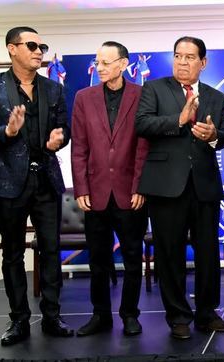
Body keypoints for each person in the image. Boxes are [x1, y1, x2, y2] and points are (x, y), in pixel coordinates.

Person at [135, 36, 224, 339]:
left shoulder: (216, 97)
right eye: (178, 56)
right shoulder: (154, 89)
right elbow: (142, 124)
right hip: (165, 186)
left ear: (203, 63)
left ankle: (207, 313)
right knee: (169, 253)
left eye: (190, 57)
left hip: (204, 185)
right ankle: (178, 316)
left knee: (207, 253)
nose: (183, 62)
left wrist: (213, 135)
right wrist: (179, 119)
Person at [0, 26, 73, 346]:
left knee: (51, 250)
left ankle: (52, 316)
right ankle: (19, 320)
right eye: (32, 45)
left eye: (42, 46)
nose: (39, 51)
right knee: (12, 254)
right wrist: (5, 132)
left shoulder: (53, 89)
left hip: (46, 180)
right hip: (8, 183)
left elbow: (65, 128)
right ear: (12, 48)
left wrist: (58, 139)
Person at [71, 41, 149, 337]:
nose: (100, 67)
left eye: (106, 62)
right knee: (98, 261)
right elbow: (79, 146)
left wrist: (140, 185)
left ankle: (130, 314)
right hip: (96, 192)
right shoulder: (83, 97)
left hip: (131, 192)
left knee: (132, 257)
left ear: (123, 64)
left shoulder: (142, 95)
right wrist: (81, 188)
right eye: (98, 62)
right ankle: (100, 315)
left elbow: (145, 146)